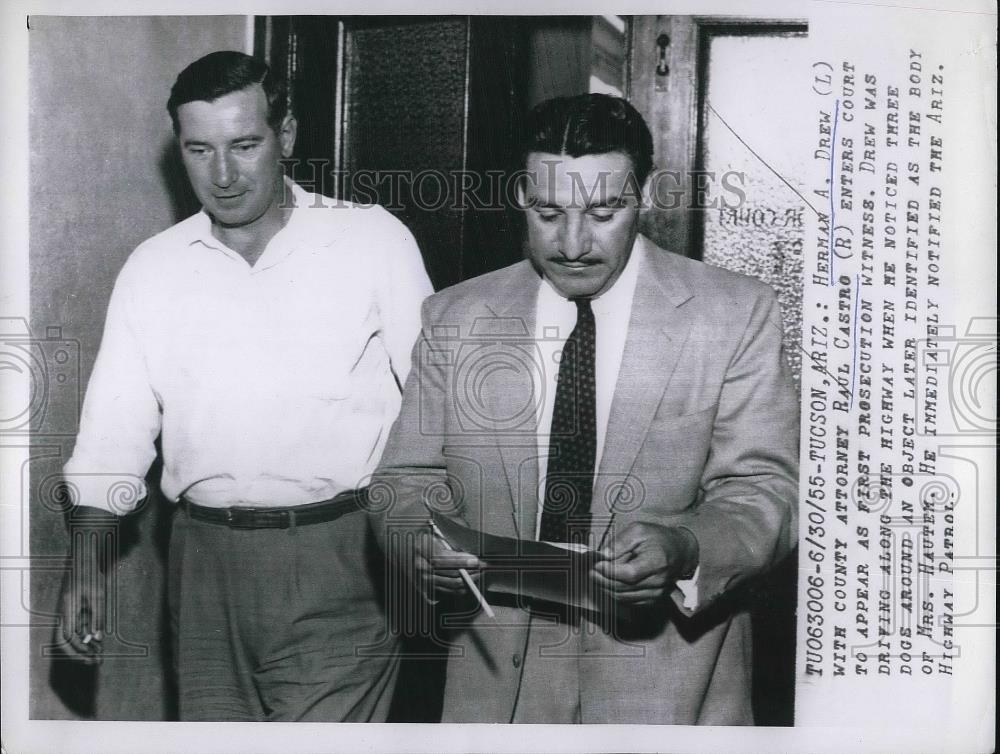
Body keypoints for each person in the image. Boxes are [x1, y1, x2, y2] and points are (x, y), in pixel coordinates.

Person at [370, 93, 799, 724]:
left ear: (645, 198)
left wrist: (684, 546)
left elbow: (765, 491)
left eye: (603, 211)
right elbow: (404, 481)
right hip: (498, 682)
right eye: (549, 213)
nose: (573, 244)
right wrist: (416, 543)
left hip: (670, 686)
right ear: (521, 196)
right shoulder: (456, 317)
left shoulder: (733, 314)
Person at [57, 50, 433, 722]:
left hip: (340, 561)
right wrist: (84, 565)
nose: (223, 175)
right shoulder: (155, 268)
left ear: (285, 135)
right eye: (200, 150)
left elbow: (436, 414)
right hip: (201, 566)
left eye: (245, 145)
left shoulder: (371, 242)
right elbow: (112, 439)